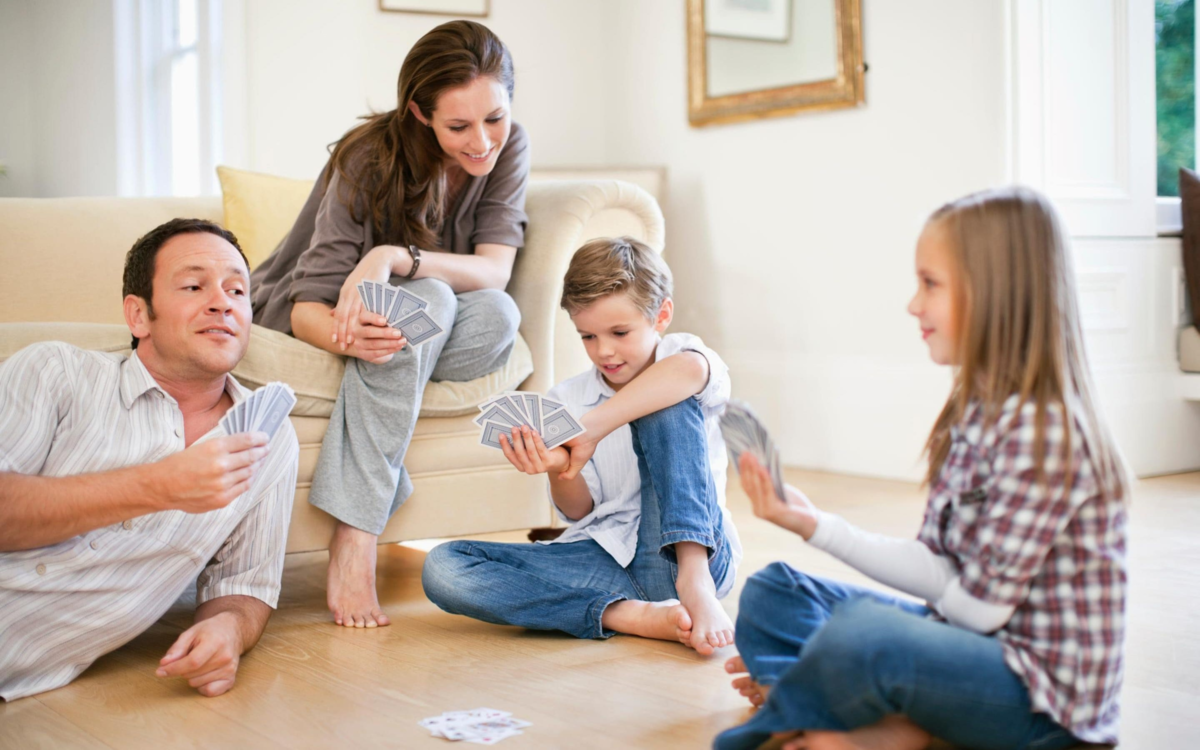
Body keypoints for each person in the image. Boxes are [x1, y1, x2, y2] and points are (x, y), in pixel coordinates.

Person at [716, 187, 1129, 750]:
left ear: (995, 295)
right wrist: (814, 525)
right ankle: (867, 714)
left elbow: (979, 611)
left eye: (930, 284)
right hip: (965, 642)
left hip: (1042, 710)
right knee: (774, 592)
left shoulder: (1046, 430)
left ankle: (822, 713)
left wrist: (864, 642)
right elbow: (939, 568)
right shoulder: (975, 412)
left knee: (864, 635)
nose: (913, 304)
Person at [249, 20, 530, 629]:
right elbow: (304, 308)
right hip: (316, 313)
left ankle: (397, 372)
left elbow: (495, 272)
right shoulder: (368, 157)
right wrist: (361, 332)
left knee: (496, 316)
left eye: (495, 118)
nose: (483, 141)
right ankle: (355, 533)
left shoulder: (510, 145)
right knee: (428, 300)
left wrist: (392, 257)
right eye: (459, 126)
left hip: (430, 313)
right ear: (419, 114)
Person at [0, 218, 300, 701]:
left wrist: (229, 631)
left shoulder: (269, 436)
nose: (222, 301)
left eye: (237, 291)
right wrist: (158, 486)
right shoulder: (55, 373)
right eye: (194, 285)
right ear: (139, 315)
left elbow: (246, 582)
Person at [422, 237, 743, 654]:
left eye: (620, 332)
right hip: (602, 559)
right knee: (443, 567)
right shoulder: (567, 399)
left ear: (661, 315)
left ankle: (693, 580)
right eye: (588, 336)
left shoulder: (682, 358)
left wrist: (586, 430)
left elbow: (687, 372)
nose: (604, 351)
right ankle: (624, 614)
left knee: (662, 402)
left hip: (690, 558)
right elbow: (578, 513)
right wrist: (560, 465)